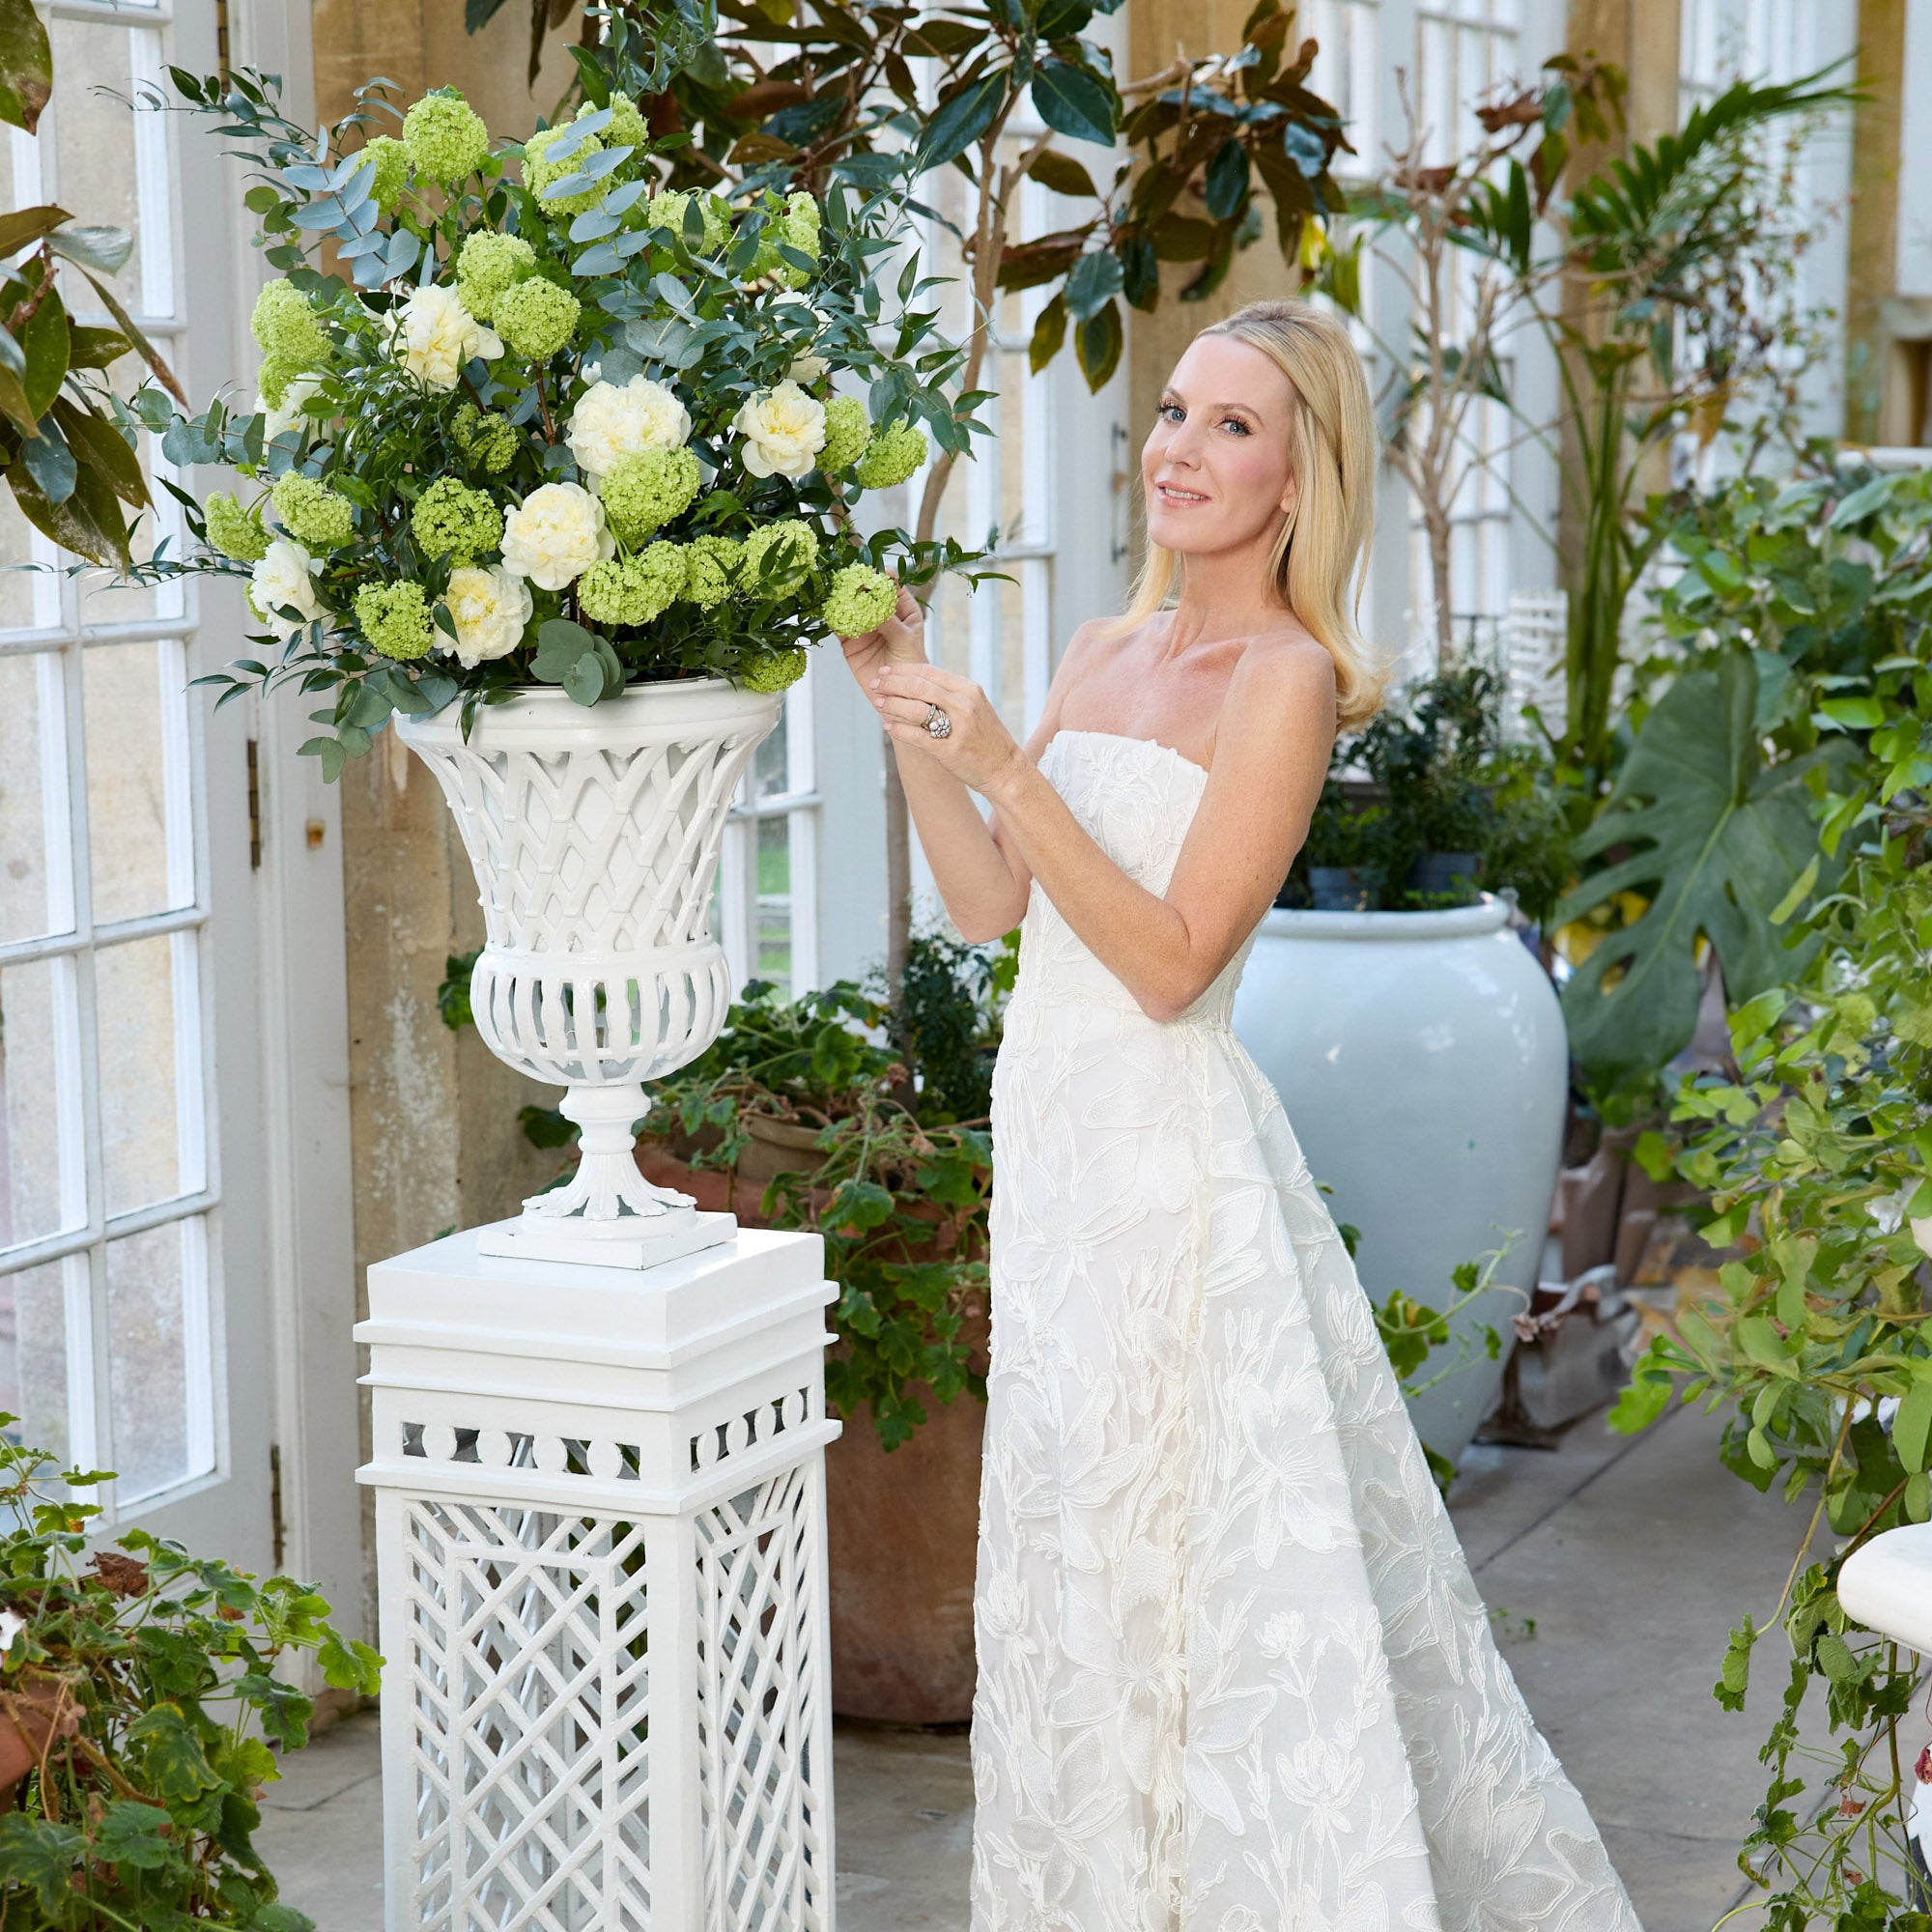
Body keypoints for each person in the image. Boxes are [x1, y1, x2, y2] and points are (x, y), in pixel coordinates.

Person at [838, 298, 1643, 1930]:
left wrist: (1008, 763)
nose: (1181, 451)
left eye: (1232, 427)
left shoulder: (1285, 680)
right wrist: (913, 711)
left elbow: (1172, 965)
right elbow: (995, 909)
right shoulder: (1101, 651)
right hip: (1056, 1170)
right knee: (1081, 1564)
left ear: (1298, 482)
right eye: (1175, 414)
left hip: (1170, 1177)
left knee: (1196, 1577)